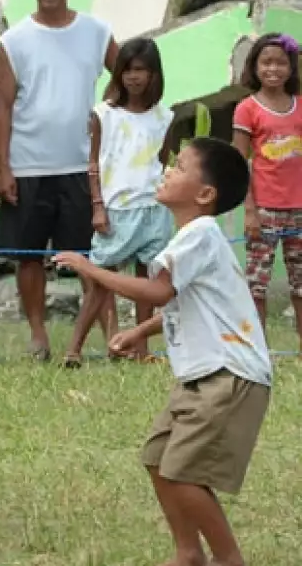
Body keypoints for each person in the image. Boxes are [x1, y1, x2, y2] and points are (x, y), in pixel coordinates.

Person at [54, 137, 270, 566]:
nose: (168, 169)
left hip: (228, 375)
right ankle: (188, 552)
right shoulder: (195, 238)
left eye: (180, 166)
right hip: (202, 375)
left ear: (204, 195)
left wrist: (88, 267)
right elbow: (183, 301)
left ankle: (229, 558)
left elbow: (158, 290)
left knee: (184, 472)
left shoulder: (201, 234)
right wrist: (141, 332)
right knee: (158, 458)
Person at [0, 0, 118, 360]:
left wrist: (105, 110)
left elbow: (130, 72)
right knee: (29, 256)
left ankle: (111, 336)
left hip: (82, 165)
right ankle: (38, 335)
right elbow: (3, 107)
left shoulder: (96, 31)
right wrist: (3, 167)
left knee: (89, 258)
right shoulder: (14, 40)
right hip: (28, 165)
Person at [64, 38, 173, 367]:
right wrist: (98, 205)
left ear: (154, 74)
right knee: (100, 281)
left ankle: (140, 348)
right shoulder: (104, 115)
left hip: (153, 209)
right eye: (127, 70)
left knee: (148, 282)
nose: (133, 77)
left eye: (141, 70)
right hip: (117, 208)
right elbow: (94, 163)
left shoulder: (165, 117)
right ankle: (74, 348)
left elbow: (162, 161)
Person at [233, 32, 302, 343]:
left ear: (291, 68)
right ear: (255, 66)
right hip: (264, 210)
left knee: (300, 283)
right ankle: (258, 347)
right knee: (256, 284)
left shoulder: (300, 106)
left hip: (299, 209)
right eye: (266, 62)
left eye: (281, 63)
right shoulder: (247, 109)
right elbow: (239, 163)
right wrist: (250, 211)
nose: (273, 69)